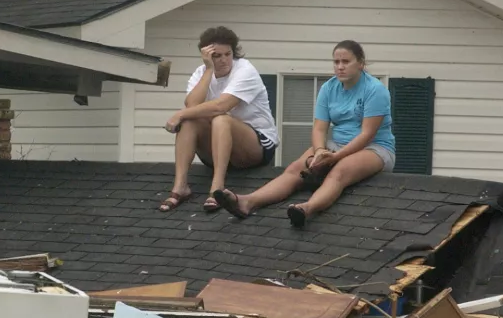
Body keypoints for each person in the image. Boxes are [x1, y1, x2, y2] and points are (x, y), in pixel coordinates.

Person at [214, 40, 395, 227]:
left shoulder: (375, 90)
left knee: (340, 171)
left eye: (346, 62)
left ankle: (306, 209)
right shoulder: (328, 88)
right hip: (336, 146)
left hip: (374, 148)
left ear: (360, 63)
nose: (340, 67)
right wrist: (319, 152)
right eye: (336, 62)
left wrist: (334, 158)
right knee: (295, 168)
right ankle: (247, 202)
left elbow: (367, 134)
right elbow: (319, 128)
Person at [157, 26, 278, 213]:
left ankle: (217, 187)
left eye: (227, 54)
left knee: (221, 118)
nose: (223, 60)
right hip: (218, 149)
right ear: (206, 56)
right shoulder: (201, 72)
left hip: (257, 146)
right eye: (216, 56)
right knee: (190, 120)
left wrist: (179, 114)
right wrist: (208, 71)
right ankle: (180, 186)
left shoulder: (245, 70)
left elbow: (222, 105)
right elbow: (192, 105)